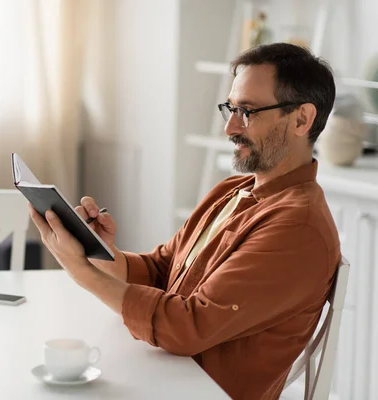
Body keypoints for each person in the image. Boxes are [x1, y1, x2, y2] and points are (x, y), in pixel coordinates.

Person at [29, 42, 340, 400]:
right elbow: (163, 269)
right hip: (164, 376)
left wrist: (82, 273)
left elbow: (187, 327)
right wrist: (100, 252)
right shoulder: (233, 190)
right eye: (231, 108)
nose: (230, 128)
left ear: (302, 119)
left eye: (248, 111)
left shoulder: (298, 228)